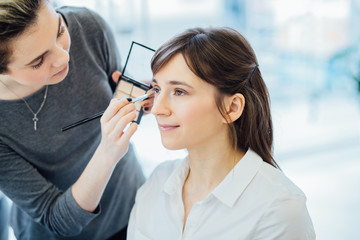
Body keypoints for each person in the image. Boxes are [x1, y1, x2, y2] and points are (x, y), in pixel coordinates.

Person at [127, 27, 316, 239]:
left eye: (179, 92)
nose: (157, 109)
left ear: (232, 108)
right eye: (157, 89)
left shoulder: (279, 208)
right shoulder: (156, 182)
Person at [0, 0, 144, 239]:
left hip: (133, 204)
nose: (63, 56)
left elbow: (116, 96)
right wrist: (107, 152)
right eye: (38, 60)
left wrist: (135, 103)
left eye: (59, 31)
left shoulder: (88, 26)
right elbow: (57, 221)